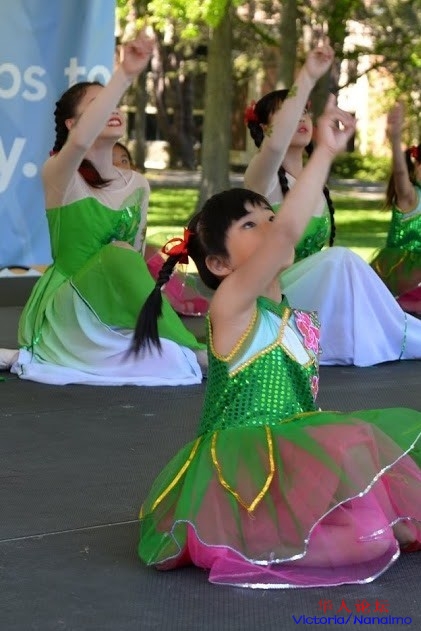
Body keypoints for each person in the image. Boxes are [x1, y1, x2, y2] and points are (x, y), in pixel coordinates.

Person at [133, 96, 421, 589]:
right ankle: (256, 542)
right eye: (251, 225)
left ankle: (301, 531)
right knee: (372, 539)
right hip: (240, 471)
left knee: (398, 521)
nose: (269, 226)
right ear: (220, 265)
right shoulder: (232, 306)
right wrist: (325, 152)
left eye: (269, 216)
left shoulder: (293, 315)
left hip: (292, 461)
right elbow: (288, 232)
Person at [5, 31, 206, 386]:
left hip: (110, 309)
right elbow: (80, 142)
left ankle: (176, 348)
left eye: (115, 103)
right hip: (68, 309)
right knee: (118, 254)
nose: (113, 109)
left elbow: (134, 265)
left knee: (167, 357)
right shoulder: (59, 174)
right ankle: (197, 351)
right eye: (99, 105)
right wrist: (125, 74)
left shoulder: (138, 184)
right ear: (71, 124)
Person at [244, 74, 421, 366]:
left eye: (304, 112)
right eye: (289, 114)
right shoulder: (262, 175)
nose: (301, 118)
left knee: (343, 267)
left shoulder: (313, 179)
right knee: (340, 259)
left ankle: (399, 336)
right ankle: (406, 337)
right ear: (265, 128)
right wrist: (309, 74)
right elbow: (274, 148)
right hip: (275, 294)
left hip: (314, 293)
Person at [112, 141, 210, 317]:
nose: (119, 166)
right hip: (113, 254)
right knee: (139, 262)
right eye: (111, 162)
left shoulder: (134, 197)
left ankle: (175, 296)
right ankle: (165, 301)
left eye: (124, 160)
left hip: (132, 250)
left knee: (152, 255)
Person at [371, 102, 421, 316]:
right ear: (416, 167)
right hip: (401, 275)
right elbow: (400, 173)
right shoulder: (411, 197)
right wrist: (395, 138)